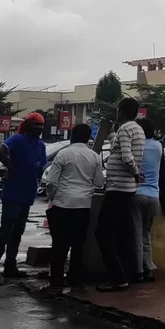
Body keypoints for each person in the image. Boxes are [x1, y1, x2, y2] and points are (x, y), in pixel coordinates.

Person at [41, 122, 104, 293]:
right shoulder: (94, 156)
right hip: (83, 206)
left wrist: (52, 198)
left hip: (62, 204)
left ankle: (56, 284)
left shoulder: (63, 154)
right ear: (88, 138)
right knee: (78, 246)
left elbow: (51, 182)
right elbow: (99, 182)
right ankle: (75, 281)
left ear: (72, 136)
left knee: (60, 246)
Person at [0, 112, 48, 280]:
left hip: (28, 193)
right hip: (13, 192)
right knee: (6, 229)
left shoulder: (40, 145)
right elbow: (0, 150)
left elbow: (41, 165)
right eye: (36, 124)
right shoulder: (18, 139)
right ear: (27, 125)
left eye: (41, 125)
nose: (39, 128)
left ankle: (10, 266)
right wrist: (10, 167)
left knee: (18, 231)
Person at [97, 97, 145, 291]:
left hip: (118, 188)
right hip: (127, 190)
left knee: (103, 234)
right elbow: (121, 148)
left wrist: (135, 171)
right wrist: (111, 136)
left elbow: (126, 156)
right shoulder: (137, 129)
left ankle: (118, 278)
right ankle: (126, 274)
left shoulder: (125, 129)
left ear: (121, 111)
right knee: (122, 235)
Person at [132, 118, 165, 283]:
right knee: (146, 233)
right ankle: (148, 269)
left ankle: (138, 271)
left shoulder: (137, 146)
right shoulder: (158, 146)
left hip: (137, 193)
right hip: (154, 196)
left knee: (136, 235)